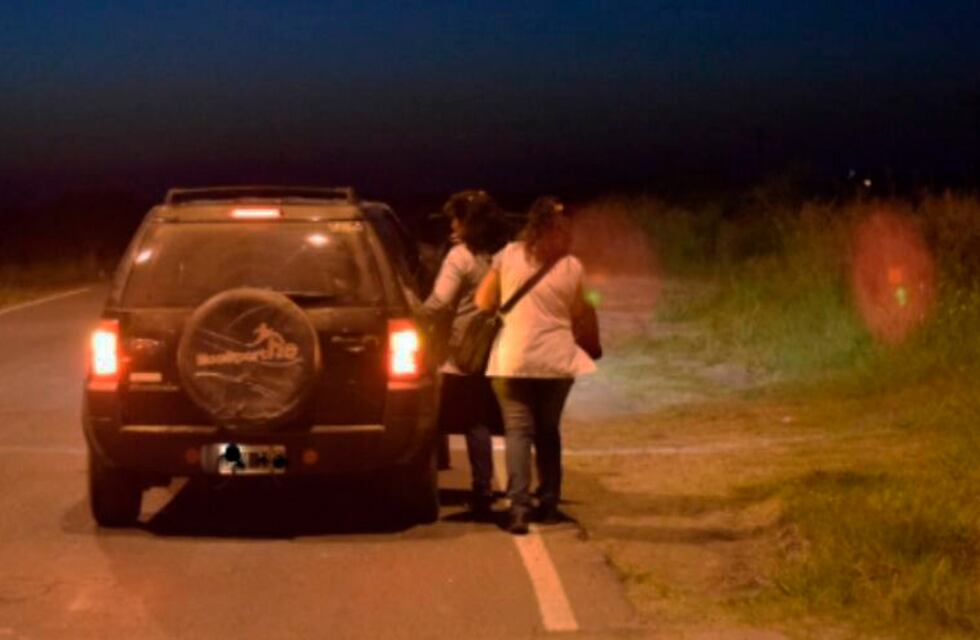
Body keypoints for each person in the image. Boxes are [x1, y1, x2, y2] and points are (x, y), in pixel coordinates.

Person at [475, 196, 596, 535]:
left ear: (530, 223)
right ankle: (550, 503)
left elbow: (483, 302)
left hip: (513, 358)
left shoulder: (509, 254)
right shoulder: (572, 265)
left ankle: (518, 509)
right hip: (556, 361)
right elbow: (578, 311)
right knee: (548, 431)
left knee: (517, 432)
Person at [421, 190, 508, 518]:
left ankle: (427, 484)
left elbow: (441, 301)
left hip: (460, 349)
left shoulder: (460, 256)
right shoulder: (503, 255)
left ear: (468, 222)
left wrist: (415, 315)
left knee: (436, 417)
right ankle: (485, 487)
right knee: (482, 419)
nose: (452, 225)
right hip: (494, 344)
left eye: (456, 218)